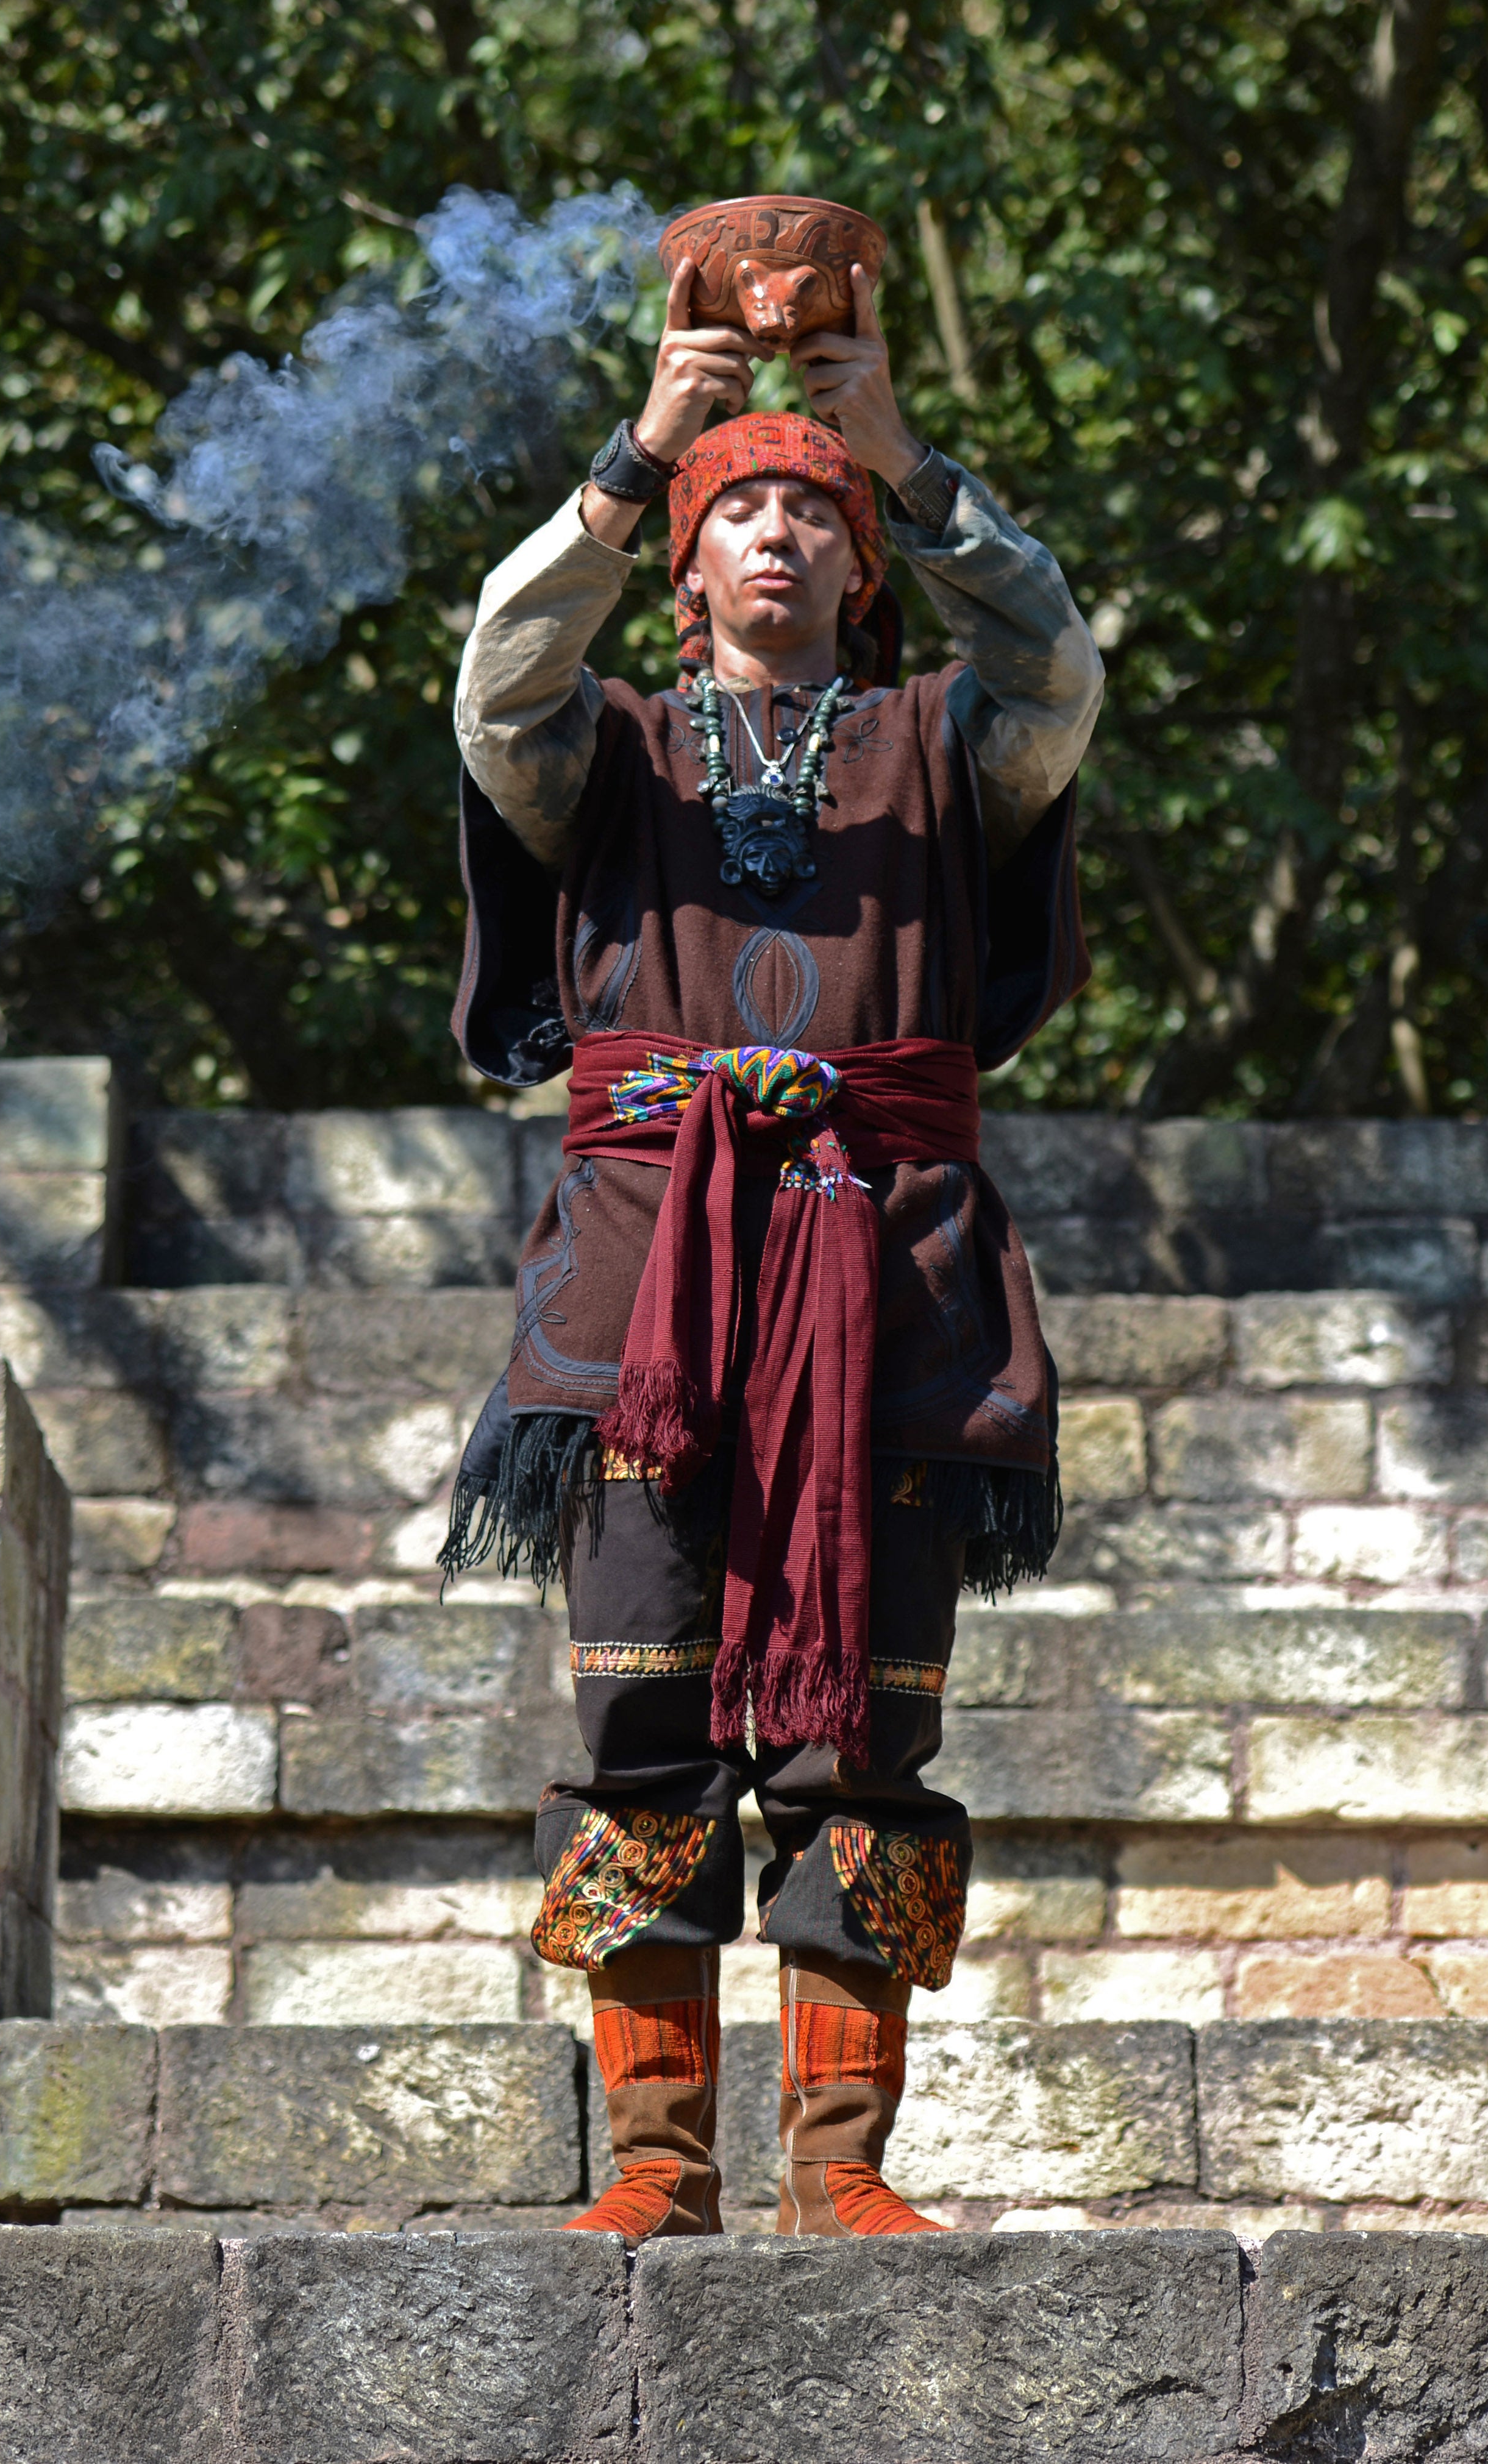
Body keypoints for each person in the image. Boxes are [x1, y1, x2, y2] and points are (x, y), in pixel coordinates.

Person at [443, 244, 1103, 2240]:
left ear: (860, 560)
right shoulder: (606, 747)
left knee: (862, 1723)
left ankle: (839, 2162)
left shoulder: (943, 746)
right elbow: (493, 681)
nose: (778, 533)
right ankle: (655, 2156)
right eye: (742, 507)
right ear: (685, 557)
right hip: (641, 1283)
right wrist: (640, 449)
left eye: (815, 511)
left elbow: (1057, 674)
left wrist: (899, 450)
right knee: (641, 1707)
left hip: (888, 1281)